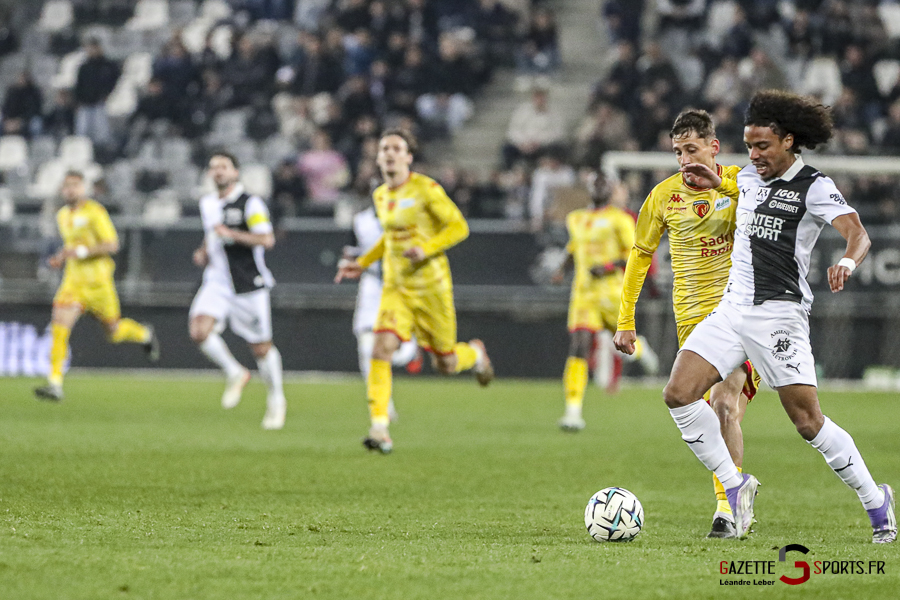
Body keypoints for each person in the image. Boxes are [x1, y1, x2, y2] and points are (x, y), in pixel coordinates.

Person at [660, 90, 895, 543]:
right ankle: (735, 484)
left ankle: (875, 499)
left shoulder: (815, 187)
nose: (754, 155)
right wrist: (711, 179)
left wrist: (847, 262)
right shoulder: (748, 177)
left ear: (788, 141)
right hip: (732, 310)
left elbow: (858, 234)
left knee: (808, 422)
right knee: (678, 393)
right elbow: (736, 186)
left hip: (780, 317)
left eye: (763, 145)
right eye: (749, 146)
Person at [614, 109, 761, 539]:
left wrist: (725, 186)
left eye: (692, 149)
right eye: (678, 151)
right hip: (693, 325)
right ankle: (738, 489)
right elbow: (640, 255)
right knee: (687, 403)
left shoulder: (739, 183)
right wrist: (625, 320)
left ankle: (726, 509)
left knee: (724, 403)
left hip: (738, 316)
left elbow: (769, 205)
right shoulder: (662, 197)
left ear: (713, 148)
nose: (684, 159)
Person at [335, 129, 494, 454]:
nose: (390, 154)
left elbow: (459, 226)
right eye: (385, 149)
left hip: (431, 290)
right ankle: (380, 428)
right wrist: (363, 263)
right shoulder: (381, 195)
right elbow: (390, 239)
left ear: (408, 157)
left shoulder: (426, 188)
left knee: (446, 364)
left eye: (397, 149)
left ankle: (475, 354)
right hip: (397, 289)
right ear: (379, 158)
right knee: (380, 348)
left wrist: (427, 247)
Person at [34, 171, 159, 401]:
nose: (71, 190)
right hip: (73, 283)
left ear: (83, 189)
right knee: (59, 329)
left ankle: (143, 334)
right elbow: (72, 245)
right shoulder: (62, 215)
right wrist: (61, 256)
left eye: (75, 185)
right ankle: (55, 383)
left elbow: (112, 245)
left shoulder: (95, 212)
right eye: (67, 186)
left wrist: (80, 252)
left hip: (99, 284)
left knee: (113, 331)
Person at [189, 152, 286, 430]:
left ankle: (276, 399)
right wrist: (204, 251)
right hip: (217, 282)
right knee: (199, 331)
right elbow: (212, 233)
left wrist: (233, 235)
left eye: (223, 167)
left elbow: (266, 239)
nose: (218, 171)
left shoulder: (250, 203)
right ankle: (235, 372)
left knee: (261, 348)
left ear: (235, 173)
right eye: (213, 167)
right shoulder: (207, 203)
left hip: (247, 284)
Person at [553, 172, 657, 432]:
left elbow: (635, 256)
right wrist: (561, 269)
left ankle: (642, 350)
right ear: (589, 188)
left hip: (612, 294)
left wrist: (608, 266)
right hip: (584, 295)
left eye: (604, 185)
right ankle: (573, 412)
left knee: (624, 344)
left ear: (610, 190)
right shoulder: (576, 218)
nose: (599, 188)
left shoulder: (619, 220)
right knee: (579, 346)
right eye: (595, 184)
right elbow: (573, 248)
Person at [346, 205, 423, 421]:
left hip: (399, 282)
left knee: (396, 350)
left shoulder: (406, 214)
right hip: (371, 282)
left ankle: (410, 348)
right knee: (365, 345)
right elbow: (351, 249)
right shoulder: (360, 219)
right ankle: (382, 404)